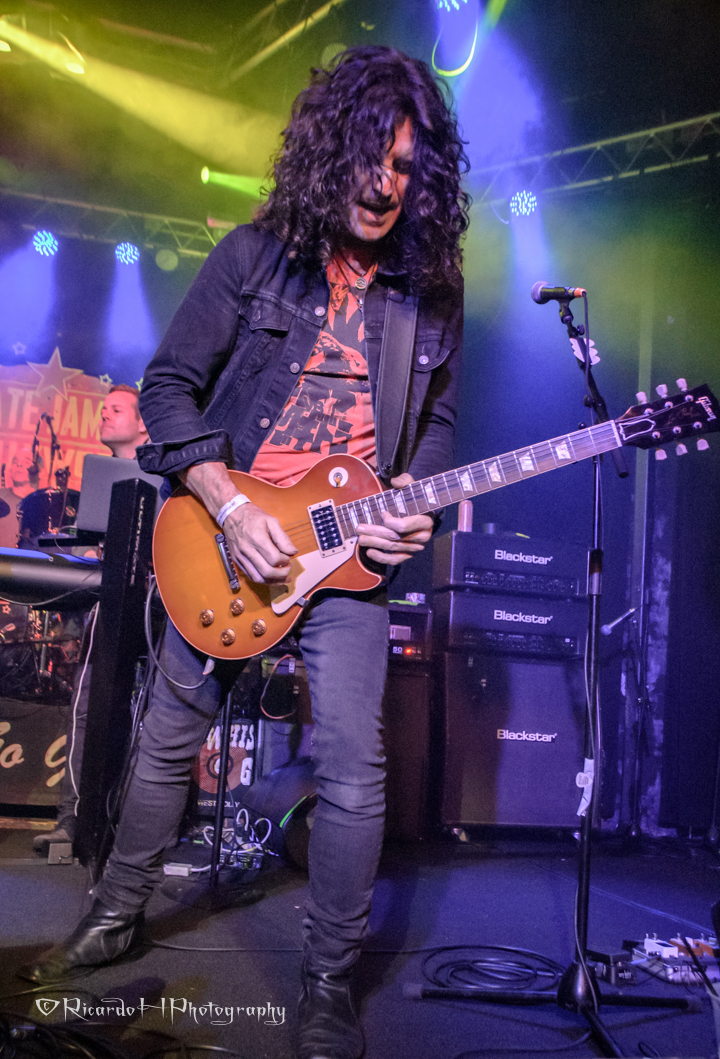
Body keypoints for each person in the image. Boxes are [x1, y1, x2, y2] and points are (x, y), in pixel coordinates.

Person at [24, 47, 469, 1059]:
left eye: (404, 167)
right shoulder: (255, 256)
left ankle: (326, 984)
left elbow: (438, 428)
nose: (382, 185)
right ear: (329, 152)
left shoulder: (431, 296)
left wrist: (416, 507)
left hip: (348, 561)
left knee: (355, 765)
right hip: (229, 541)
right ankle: (116, 912)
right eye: (368, 157)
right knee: (166, 733)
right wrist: (226, 503)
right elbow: (167, 389)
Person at [32, 385, 149, 854]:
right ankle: (74, 823)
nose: (104, 415)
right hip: (110, 601)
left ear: (143, 423)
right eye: (103, 409)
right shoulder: (99, 482)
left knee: (153, 714)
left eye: (115, 409)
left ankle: (136, 828)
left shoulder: (169, 476)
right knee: (86, 708)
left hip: (160, 604)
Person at [0, 448, 41, 548]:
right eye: (15, 462)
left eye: (26, 462)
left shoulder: (43, 504)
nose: (19, 464)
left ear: (37, 471)